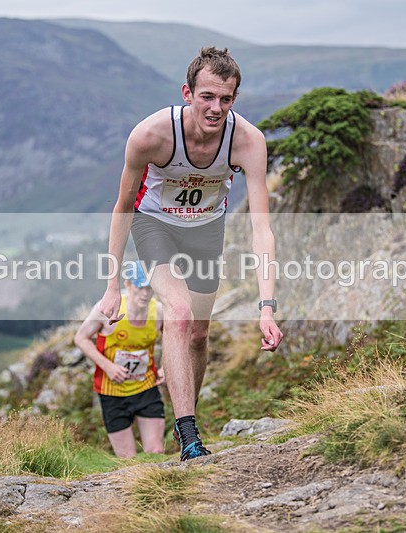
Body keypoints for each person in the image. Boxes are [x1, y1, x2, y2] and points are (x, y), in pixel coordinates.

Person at [99, 47, 284, 461]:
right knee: (178, 314)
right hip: (155, 226)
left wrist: (267, 307)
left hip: (205, 231)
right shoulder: (151, 135)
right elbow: (123, 206)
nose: (216, 108)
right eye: (207, 97)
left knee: (198, 334)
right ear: (188, 92)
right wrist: (112, 286)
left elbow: (261, 228)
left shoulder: (248, 142)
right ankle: (189, 438)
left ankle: (189, 417)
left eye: (226, 99)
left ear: (234, 99)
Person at [74, 262, 165, 458]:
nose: (145, 294)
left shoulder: (158, 312)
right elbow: (80, 338)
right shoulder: (107, 309)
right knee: (127, 460)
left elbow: (174, 338)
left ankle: (159, 488)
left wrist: (166, 366)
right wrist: (108, 367)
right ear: (128, 284)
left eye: (150, 288)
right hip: (111, 392)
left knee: (156, 452)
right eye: (140, 287)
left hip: (146, 387)